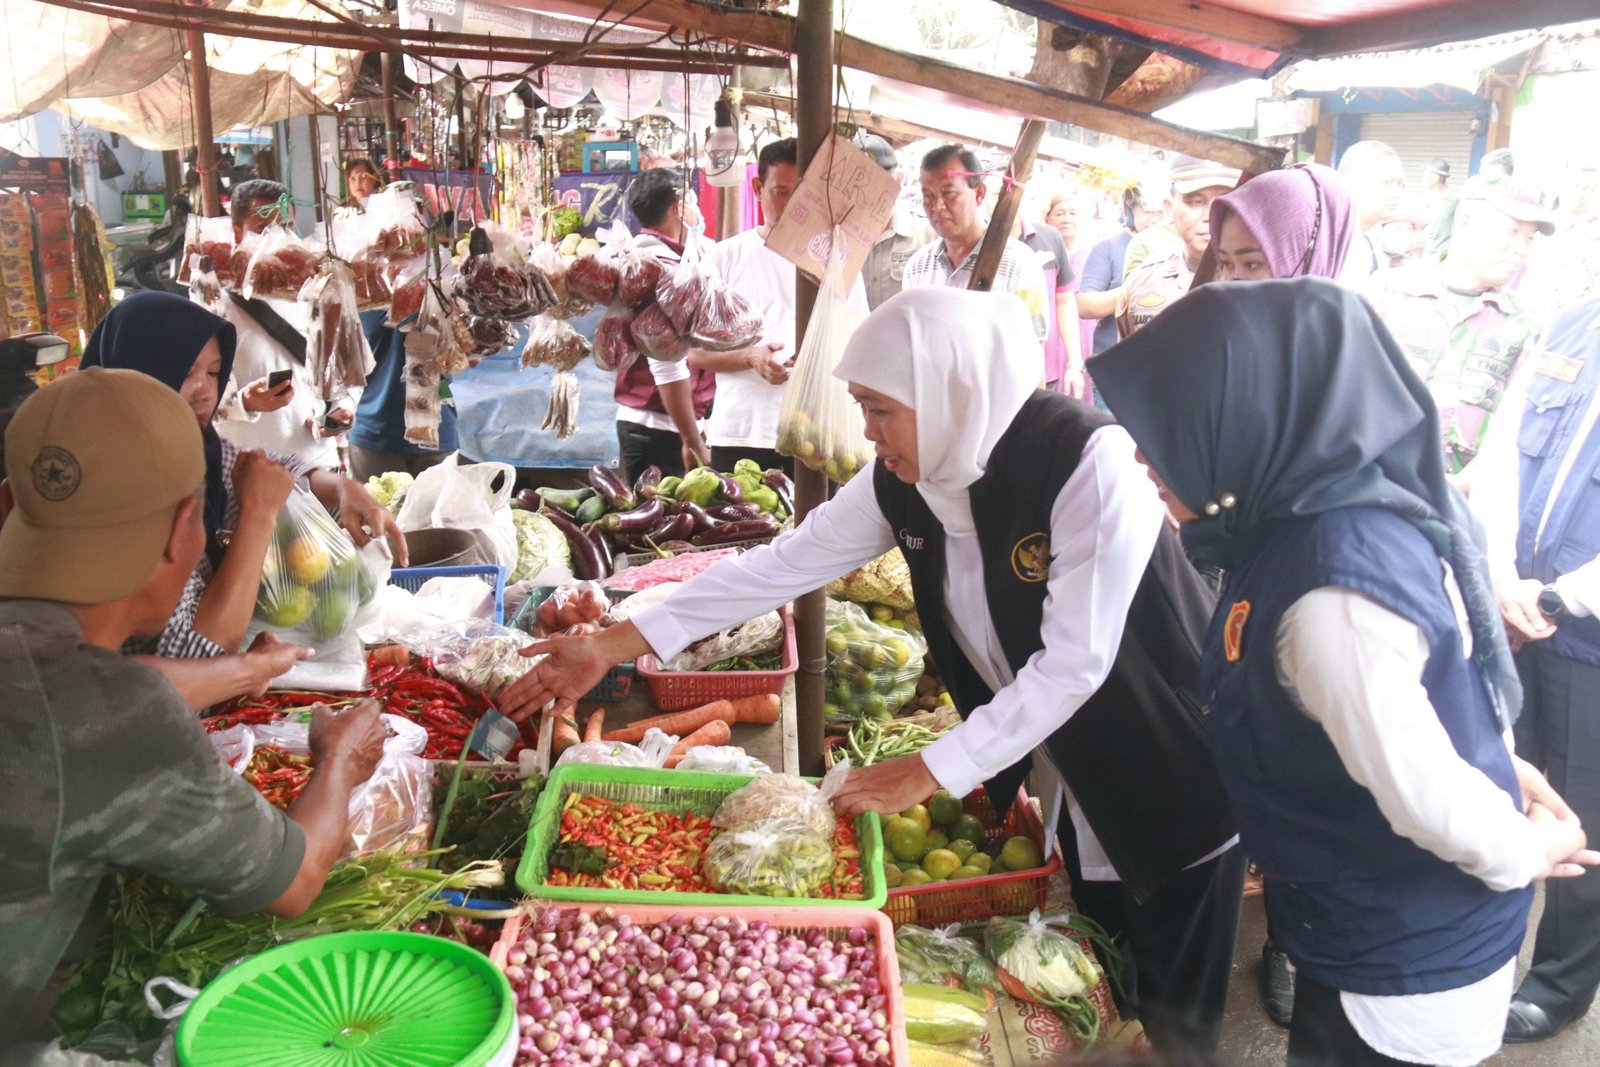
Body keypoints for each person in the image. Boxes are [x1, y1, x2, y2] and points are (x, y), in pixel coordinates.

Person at [502, 289, 1242, 1064]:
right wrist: (612, 642)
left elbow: (1073, 663)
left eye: (881, 409)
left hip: (1172, 764)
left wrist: (925, 769)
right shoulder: (911, 475)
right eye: (861, 406)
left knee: (1180, 1014)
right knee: (1107, 974)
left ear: (949, 391)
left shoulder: (1089, 463)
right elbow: (779, 565)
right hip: (1082, 770)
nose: (866, 430)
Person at [1094, 276, 1597, 1067]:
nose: (1141, 453)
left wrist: (1528, 849)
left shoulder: (1334, 594)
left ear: (1250, 418)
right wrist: (1499, 760)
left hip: (1402, 968)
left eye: (1170, 425)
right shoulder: (1314, 510)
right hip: (1360, 923)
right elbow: (1439, 680)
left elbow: (1433, 801)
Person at [0, 368, 387, 1048]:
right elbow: (293, 881)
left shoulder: (75, 681)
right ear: (186, 531)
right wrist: (340, 761)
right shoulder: (110, 709)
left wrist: (249, 667)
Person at [1206, 161, 1355, 1028]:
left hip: (1318, 592)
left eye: (1253, 262)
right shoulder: (1239, 348)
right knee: (1248, 742)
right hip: (1238, 577)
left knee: (1315, 760)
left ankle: (1295, 945)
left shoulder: (1345, 356)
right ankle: (1258, 899)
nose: (1234, 283)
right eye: (1225, 263)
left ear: (1310, 252)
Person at [80, 293, 405, 667]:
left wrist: (345, 490)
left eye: (215, 373)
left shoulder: (195, 447)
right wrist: (259, 514)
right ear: (137, 372)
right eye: (186, 373)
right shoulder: (124, 487)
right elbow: (198, 654)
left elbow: (266, 467)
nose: (205, 391)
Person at [1469, 295, 1600, 1044]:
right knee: (1499, 786)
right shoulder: (1570, 320)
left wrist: (1558, 594)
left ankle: (1560, 982)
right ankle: (1484, 958)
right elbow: (1501, 461)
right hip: (1516, 612)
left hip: (1587, 631)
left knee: (1581, 810)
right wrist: (1499, 573)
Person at [688, 138, 867, 474]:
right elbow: (694, 353)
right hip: (741, 435)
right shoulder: (724, 257)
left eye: (803, 194)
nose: (793, 206)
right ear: (757, 188)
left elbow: (860, 343)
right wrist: (750, 357)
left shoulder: (837, 260)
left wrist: (819, 357)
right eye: (781, 192)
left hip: (818, 435)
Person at [1365, 177, 1555, 479]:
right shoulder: (1385, 294)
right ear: (1465, 223)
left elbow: (1513, 433)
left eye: (1529, 238)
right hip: (1363, 489)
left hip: (1451, 505)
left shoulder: (1522, 328)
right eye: (1511, 232)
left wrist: (1461, 488)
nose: (1520, 249)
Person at [212, 180, 352, 470]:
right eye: (263, 228)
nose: (276, 239)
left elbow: (346, 367)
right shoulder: (212, 302)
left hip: (318, 468)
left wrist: (343, 409)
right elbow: (196, 399)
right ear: (236, 231)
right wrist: (244, 404)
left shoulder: (316, 288)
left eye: (284, 227)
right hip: (247, 473)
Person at [901, 144, 1051, 369]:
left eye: (948, 193)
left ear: (979, 193)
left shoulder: (1019, 264)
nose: (937, 206)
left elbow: (1032, 354)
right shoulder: (917, 267)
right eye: (928, 195)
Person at [614, 167, 713, 479]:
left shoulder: (649, 260)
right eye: (692, 202)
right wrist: (690, 437)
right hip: (660, 430)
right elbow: (666, 363)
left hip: (663, 425)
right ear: (677, 208)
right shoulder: (657, 270)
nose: (697, 211)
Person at [1120, 155, 1239, 336]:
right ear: (1169, 209)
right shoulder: (1144, 280)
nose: (1209, 216)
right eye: (1195, 202)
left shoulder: (1260, 281)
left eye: (1224, 202)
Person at [858, 132, 934, 312]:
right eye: (858, 180)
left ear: (898, 180)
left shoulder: (927, 237)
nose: (867, 190)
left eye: (877, 180)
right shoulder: (836, 240)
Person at [1015, 209, 1085, 396]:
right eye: (997, 192)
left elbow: (1064, 301)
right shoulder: (976, 242)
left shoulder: (1049, 237)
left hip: (1047, 372)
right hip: (997, 374)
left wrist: (1075, 363)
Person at [1427, 148, 1515, 261]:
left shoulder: (1514, 206)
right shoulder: (1472, 190)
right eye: (1481, 174)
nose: (1483, 181)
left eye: (1491, 178)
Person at [1336, 140, 1406, 282]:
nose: (1396, 192)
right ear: (1351, 184)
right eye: (1386, 183)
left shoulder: (1370, 236)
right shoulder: (1338, 243)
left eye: (1400, 184)